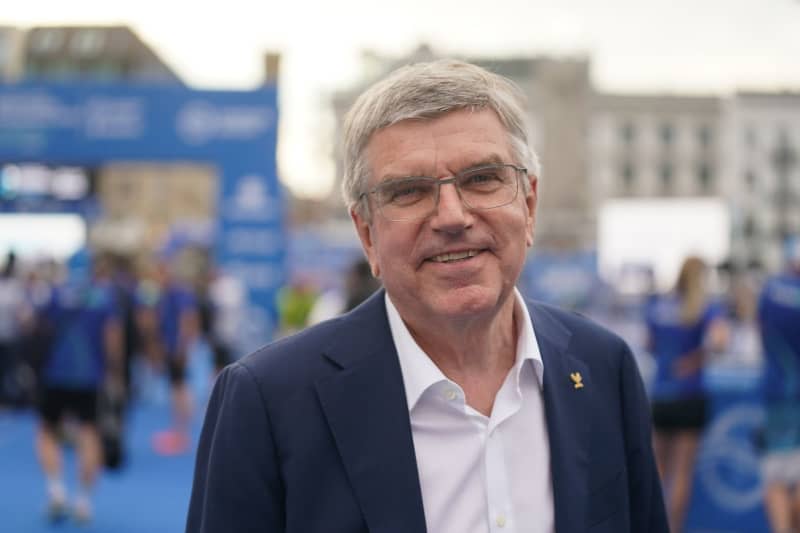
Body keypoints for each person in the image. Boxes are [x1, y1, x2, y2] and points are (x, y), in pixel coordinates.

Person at [187, 59, 668, 533]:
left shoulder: (604, 368)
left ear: (529, 203)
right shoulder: (268, 402)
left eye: (482, 179)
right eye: (409, 191)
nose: (452, 216)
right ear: (367, 234)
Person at [34, 251, 123, 523]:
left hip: (56, 375)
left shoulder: (57, 293)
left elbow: (39, 327)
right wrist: (115, 372)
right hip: (90, 377)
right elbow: (112, 337)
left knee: (48, 431)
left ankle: (57, 491)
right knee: (89, 433)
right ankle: (84, 502)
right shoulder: (104, 296)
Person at [644, 256, 727, 532]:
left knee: (658, 471)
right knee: (681, 472)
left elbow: (649, 343)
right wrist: (698, 358)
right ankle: (674, 528)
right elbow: (720, 340)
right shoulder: (704, 307)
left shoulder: (658, 306)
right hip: (690, 395)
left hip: (662, 395)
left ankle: (651, 526)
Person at [757, 237, 800, 533]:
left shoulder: (770, 291)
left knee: (775, 477)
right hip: (789, 392)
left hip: (777, 393)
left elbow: (760, 331)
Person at [136, 254, 199, 455]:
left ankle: (182, 433)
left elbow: (187, 320)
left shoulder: (179, 293)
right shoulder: (163, 294)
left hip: (176, 348)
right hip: (171, 347)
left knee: (179, 389)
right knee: (177, 388)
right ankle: (179, 431)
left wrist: (182, 347)